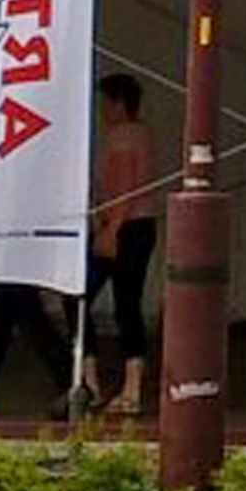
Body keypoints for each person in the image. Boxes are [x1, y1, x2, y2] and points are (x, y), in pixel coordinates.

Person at [89, 73, 158, 416]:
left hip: (125, 226)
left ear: (118, 103)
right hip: (133, 225)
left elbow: (125, 185)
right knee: (125, 303)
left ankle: (111, 384)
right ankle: (119, 383)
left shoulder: (123, 137)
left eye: (105, 102)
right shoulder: (139, 134)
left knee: (114, 302)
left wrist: (110, 229)